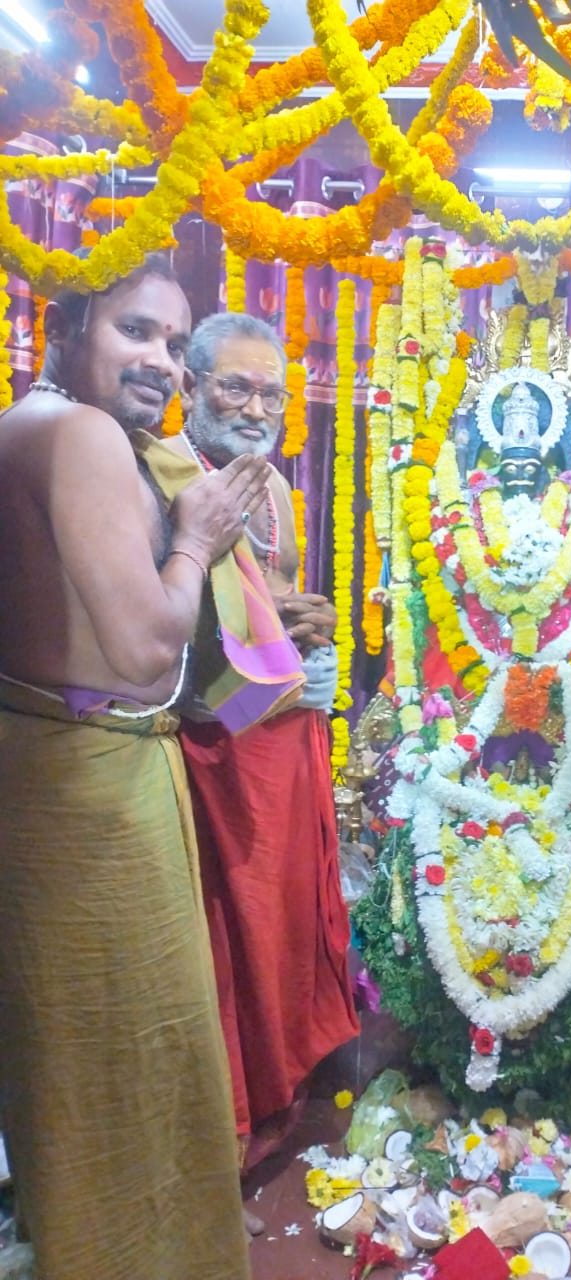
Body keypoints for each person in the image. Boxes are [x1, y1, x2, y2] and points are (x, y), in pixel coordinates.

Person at [0, 255, 275, 1279]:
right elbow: (144, 648)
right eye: (135, 331)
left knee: (71, 1068)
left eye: (173, 340)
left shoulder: (21, 424)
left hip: (45, 765)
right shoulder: (80, 434)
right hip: (96, 793)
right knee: (141, 1063)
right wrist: (197, 539)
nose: (163, 360)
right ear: (65, 326)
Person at [164, 311, 359, 1187]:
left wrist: (311, 629)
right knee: (224, 939)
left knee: (280, 928)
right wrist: (271, 648)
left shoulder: (275, 487)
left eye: (270, 393)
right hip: (207, 748)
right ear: (191, 386)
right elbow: (164, 630)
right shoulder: (164, 474)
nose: (254, 407)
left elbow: (271, 602)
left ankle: (275, 1104)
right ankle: (219, 1137)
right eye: (234, 387)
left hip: (278, 741)